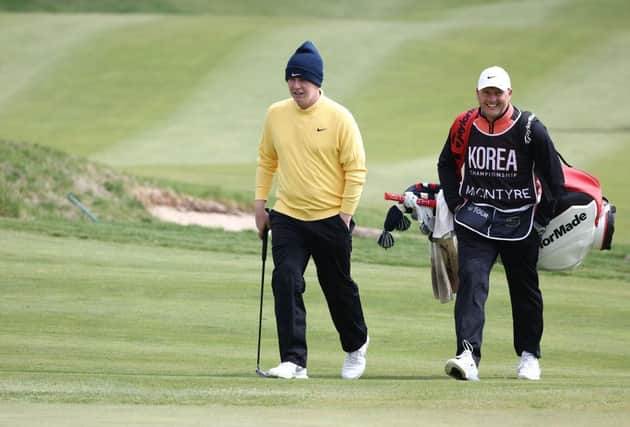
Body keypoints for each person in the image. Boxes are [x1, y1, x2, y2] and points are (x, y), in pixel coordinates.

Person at [437, 66, 565, 381]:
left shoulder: (531, 128)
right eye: (486, 92)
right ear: (478, 94)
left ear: (509, 94)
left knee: (524, 291)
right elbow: (446, 164)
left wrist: (541, 220)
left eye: (498, 93)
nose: (492, 99)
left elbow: (554, 179)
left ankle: (529, 356)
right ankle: (468, 356)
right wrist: (456, 205)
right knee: (471, 284)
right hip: (476, 221)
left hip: (520, 222)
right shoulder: (464, 124)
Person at [254, 41, 369, 380]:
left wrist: (345, 216)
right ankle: (294, 361)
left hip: (331, 216)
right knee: (286, 278)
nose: (295, 85)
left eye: (302, 79)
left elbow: (356, 169)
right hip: (288, 215)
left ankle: (356, 345)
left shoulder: (339, 118)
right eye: (291, 78)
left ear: (318, 82)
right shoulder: (276, 114)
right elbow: (267, 159)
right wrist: (260, 205)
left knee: (337, 287)